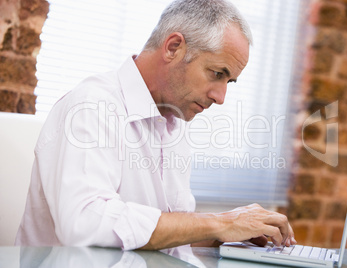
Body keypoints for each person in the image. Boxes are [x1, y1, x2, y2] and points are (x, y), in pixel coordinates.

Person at [16, 0, 297, 250]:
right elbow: (84, 224)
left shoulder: (173, 123)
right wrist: (218, 222)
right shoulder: (91, 106)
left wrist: (229, 232)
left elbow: (161, 230)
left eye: (229, 81)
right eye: (216, 73)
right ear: (174, 47)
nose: (220, 97)